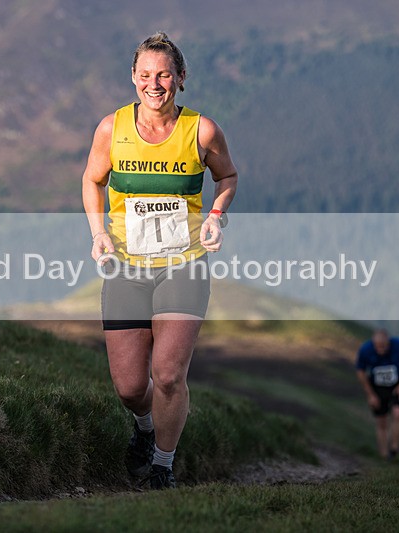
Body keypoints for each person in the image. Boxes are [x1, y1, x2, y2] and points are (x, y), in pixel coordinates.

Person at [81, 32, 238, 489]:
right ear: (133, 78)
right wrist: (98, 235)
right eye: (146, 75)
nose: (155, 84)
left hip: (183, 263)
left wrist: (215, 216)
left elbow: (227, 175)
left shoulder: (202, 130)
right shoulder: (112, 129)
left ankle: (163, 467)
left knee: (168, 374)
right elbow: (92, 181)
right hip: (127, 266)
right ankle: (145, 429)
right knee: (131, 386)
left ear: (181, 78)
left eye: (164, 74)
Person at [355, 329, 399, 459]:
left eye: (383, 346)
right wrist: (370, 394)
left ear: (389, 342)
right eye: (377, 347)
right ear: (373, 343)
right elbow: (360, 371)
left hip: (397, 384)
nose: (380, 349)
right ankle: (383, 455)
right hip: (377, 388)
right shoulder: (365, 350)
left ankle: (393, 448)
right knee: (382, 422)